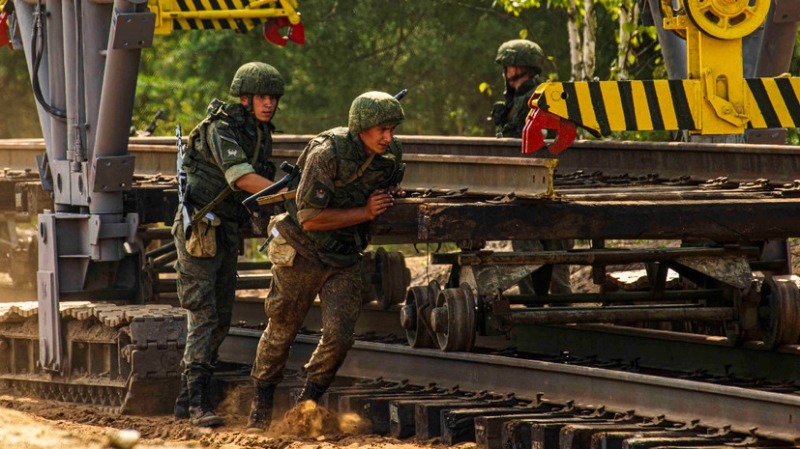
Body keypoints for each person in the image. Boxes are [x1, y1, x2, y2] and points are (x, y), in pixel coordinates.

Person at [245, 91, 406, 433]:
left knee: (339, 336)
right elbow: (309, 219)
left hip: (344, 257)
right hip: (303, 251)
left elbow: (384, 186)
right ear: (360, 127)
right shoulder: (326, 154)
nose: (388, 137)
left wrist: (389, 196)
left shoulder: (390, 155)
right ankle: (261, 403)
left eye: (392, 129)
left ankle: (307, 404)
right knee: (281, 332)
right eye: (381, 129)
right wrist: (365, 212)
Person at [172, 62, 285, 427]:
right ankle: (198, 404)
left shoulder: (259, 133)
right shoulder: (221, 128)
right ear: (245, 98)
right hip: (200, 229)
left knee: (221, 317)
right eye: (262, 97)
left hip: (226, 231)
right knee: (204, 315)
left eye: (273, 98)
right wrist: (290, 193)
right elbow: (243, 179)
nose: (269, 104)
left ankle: (186, 398)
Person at [491, 39, 573, 294]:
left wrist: (509, 129)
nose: (505, 71)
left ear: (519, 67)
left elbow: (542, 139)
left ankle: (549, 308)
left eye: (508, 65)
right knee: (536, 248)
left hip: (543, 182)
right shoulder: (517, 98)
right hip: (527, 183)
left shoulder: (540, 96)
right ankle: (546, 306)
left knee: (545, 249)